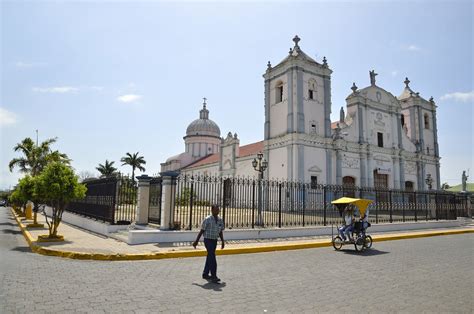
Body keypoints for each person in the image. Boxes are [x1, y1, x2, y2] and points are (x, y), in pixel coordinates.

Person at [193, 204, 225, 283]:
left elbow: (220, 231)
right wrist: (196, 241)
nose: (217, 211)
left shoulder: (220, 220)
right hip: (208, 240)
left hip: (214, 240)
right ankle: (214, 275)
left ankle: (205, 273)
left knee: (210, 256)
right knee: (212, 257)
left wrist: (223, 241)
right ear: (212, 210)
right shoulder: (207, 219)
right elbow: (202, 230)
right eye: (216, 209)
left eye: (218, 210)